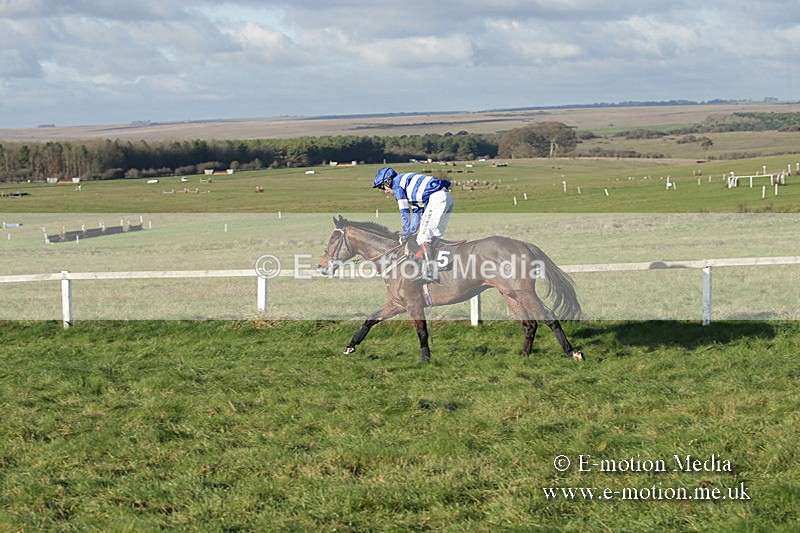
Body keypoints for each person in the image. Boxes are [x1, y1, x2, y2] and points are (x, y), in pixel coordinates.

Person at [372, 167, 453, 267]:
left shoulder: (397, 185)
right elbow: (418, 213)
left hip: (437, 199)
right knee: (435, 237)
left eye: (382, 187)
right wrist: (410, 232)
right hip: (447, 198)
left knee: (422, 238)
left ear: (388, 182)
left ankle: (428, 270)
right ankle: (439, 266)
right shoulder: (407, 187)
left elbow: (404, 212)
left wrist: (406, 233)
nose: (385, 191)